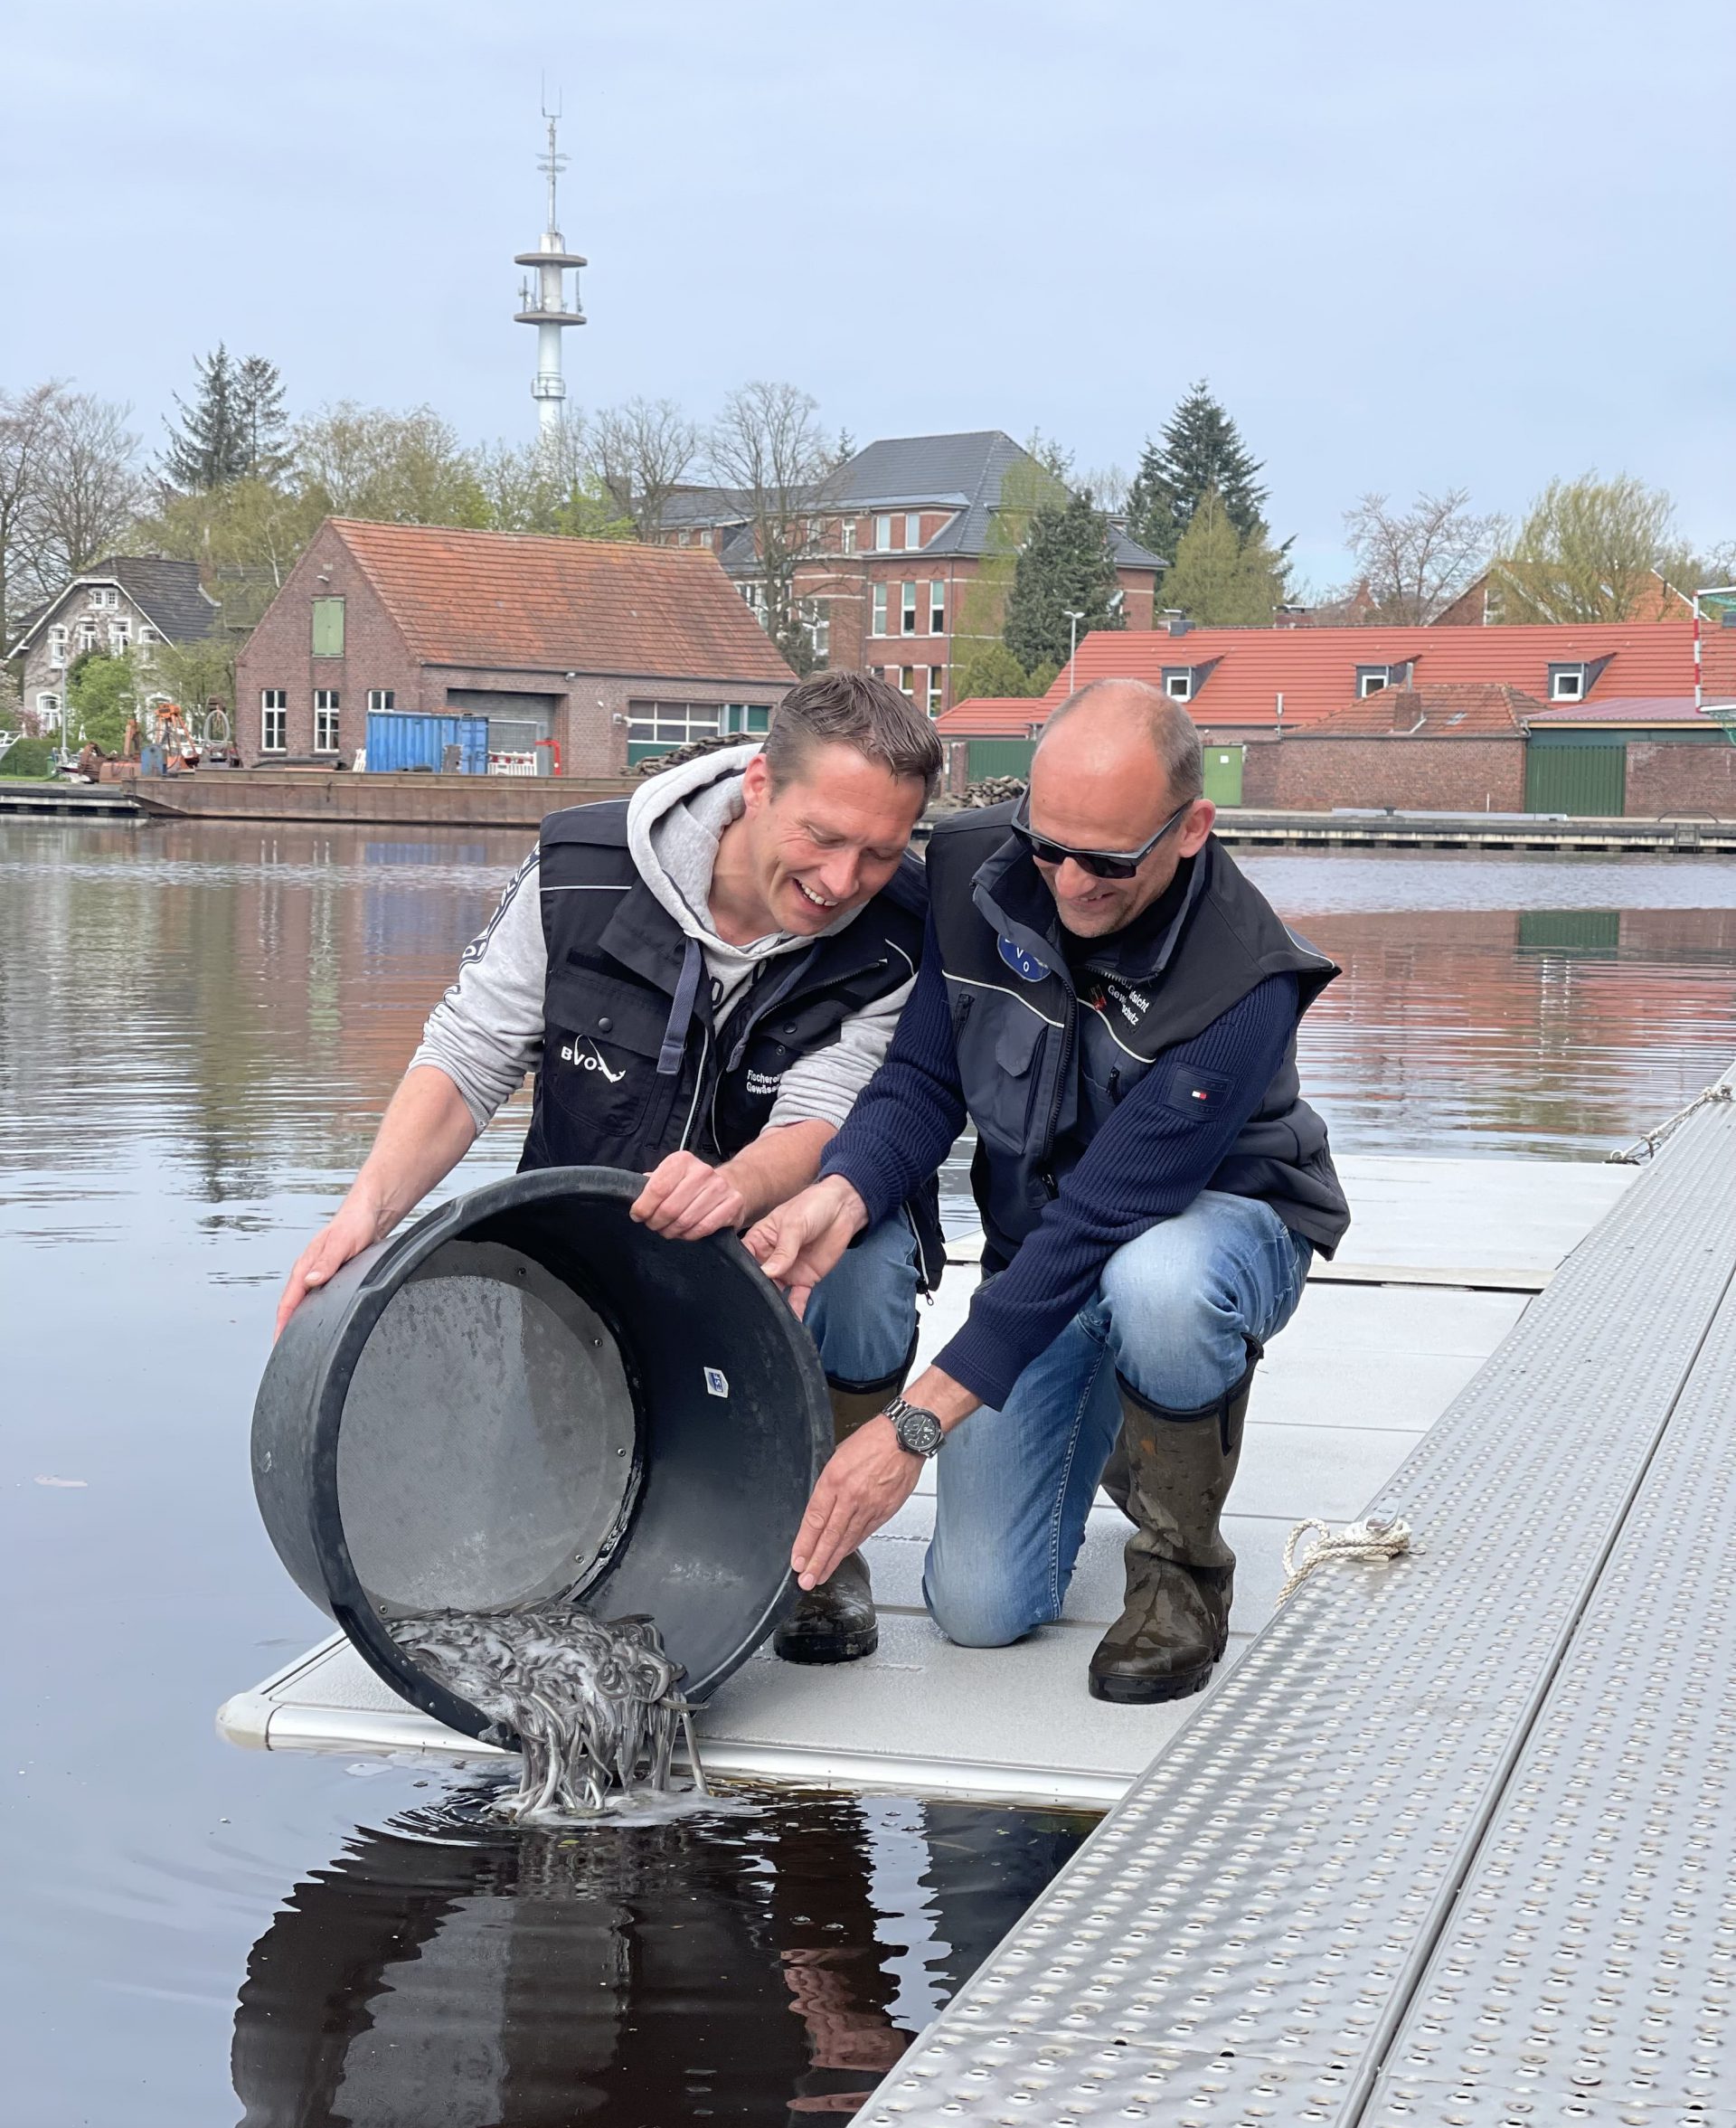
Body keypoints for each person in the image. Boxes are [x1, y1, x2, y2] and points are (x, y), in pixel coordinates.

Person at [276, 669, 945, 1665]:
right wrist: (364, 1209)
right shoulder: (578, 865)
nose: (844, 881)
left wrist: (735, 1186)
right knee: (548, 1542)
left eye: (880, 853)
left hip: (781, 1243)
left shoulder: (901, 936)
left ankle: (822, 1538)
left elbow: (825, 1118)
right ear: (759, 782)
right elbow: (466, 1056)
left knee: (870, 1268)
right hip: (593, 1246)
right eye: (824, 837)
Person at [746, 678, 1351, 1705]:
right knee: (980, 1611)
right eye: (1048, 844)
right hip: (1051, 1250)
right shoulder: (973, 870)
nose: (1067, 881)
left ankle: (1181, 1570)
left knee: (1158, 1280)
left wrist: (912, 1427)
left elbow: (1103, 1216)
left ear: (1191, 827)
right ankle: (1136, 1424)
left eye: (1107, 861)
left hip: (1213, 1230)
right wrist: (838, 1197)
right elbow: (923, 1082)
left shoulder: (1248, 984)